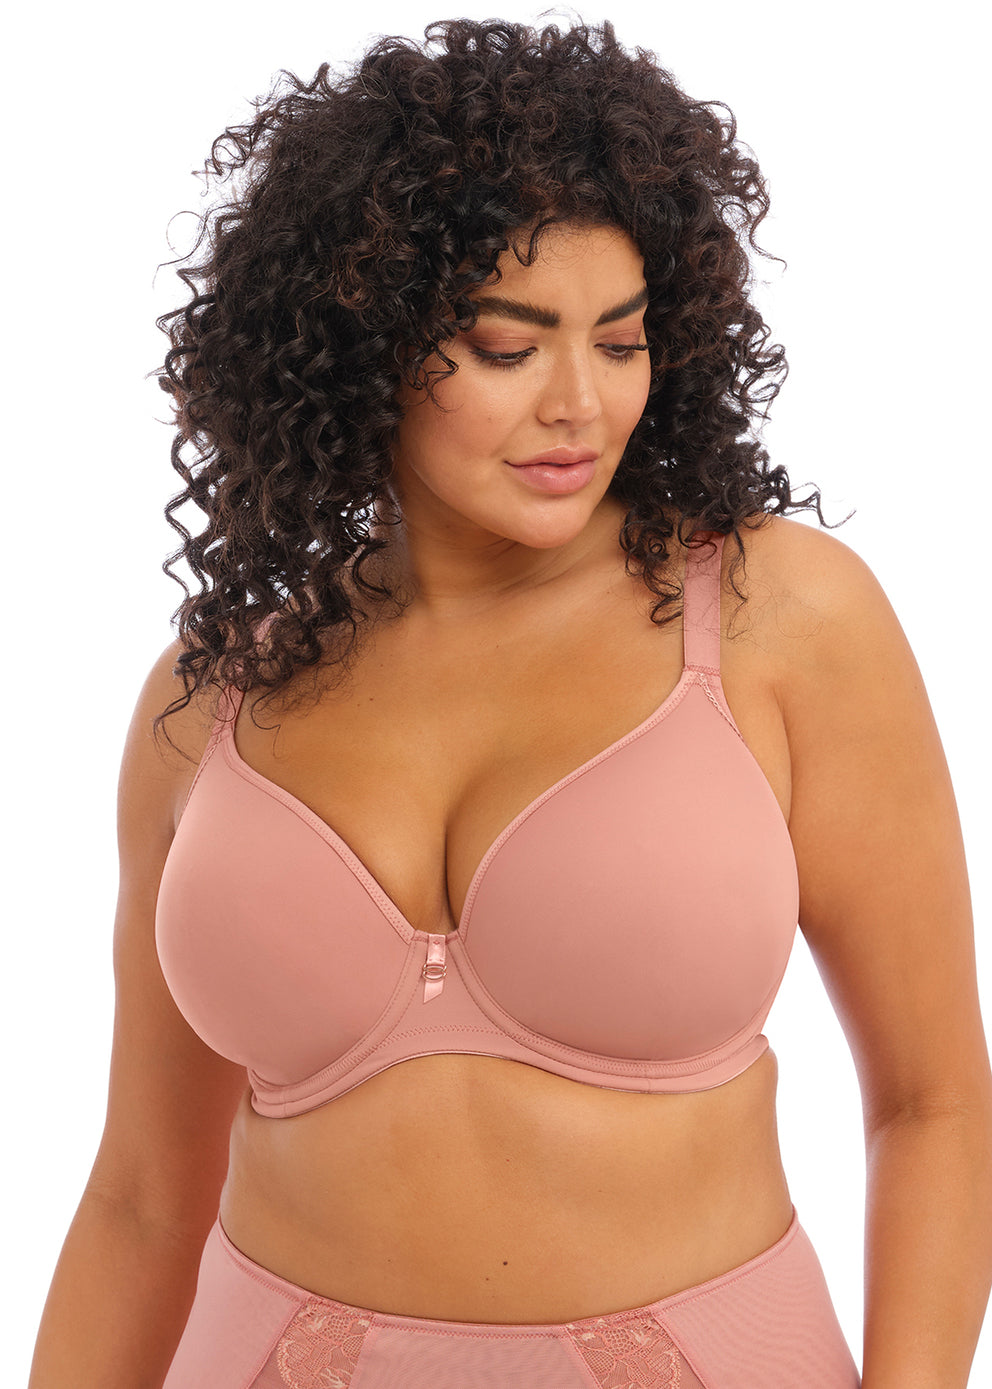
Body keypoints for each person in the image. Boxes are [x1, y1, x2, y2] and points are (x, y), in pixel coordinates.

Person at [29, 17, 992, 1389]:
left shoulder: (775, 618)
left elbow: (934, 1103)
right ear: (362, 342)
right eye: (504, 346)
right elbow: (139, 1197)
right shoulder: (213, 696)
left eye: (622, 339)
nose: (580, 405)